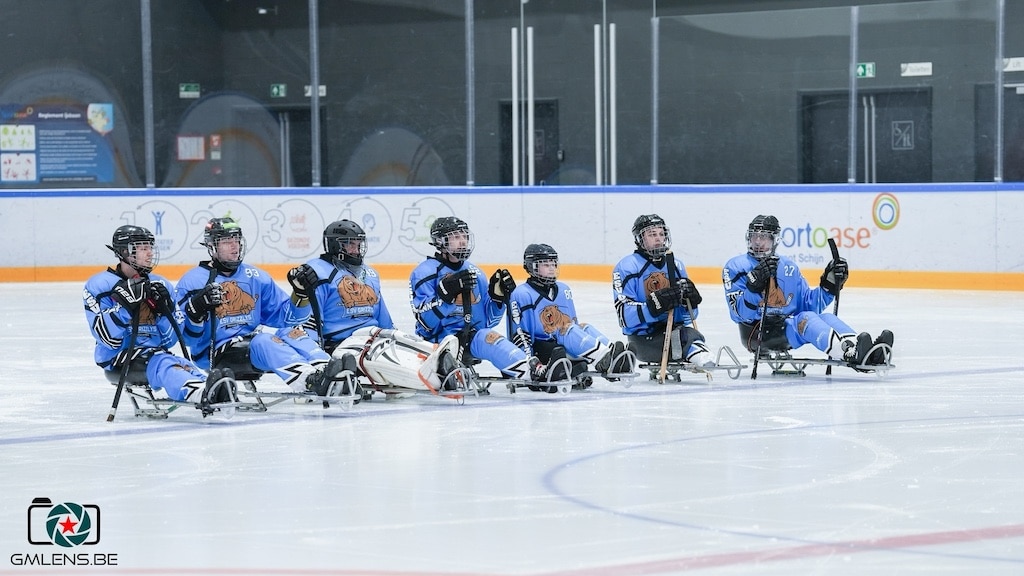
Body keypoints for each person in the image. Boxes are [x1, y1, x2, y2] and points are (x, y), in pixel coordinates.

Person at [175, 217, 349, 398]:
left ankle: (329, 370)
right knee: (264, 341)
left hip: (249, 344)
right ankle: (310, 380)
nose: (234, 246)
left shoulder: (255, 276)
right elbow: (187, 340)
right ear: (212, 246)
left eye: (236, 240)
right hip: (215, 353)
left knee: (290, 331)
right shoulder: (192, 281)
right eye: (227, 242)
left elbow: (287, 318)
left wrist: (301, 294)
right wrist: (195, 311)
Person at [289, 219, 462, 395]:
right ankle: (433, 379)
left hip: (373, 334)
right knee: (385, 356)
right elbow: (308, 320)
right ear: (335, 246)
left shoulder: (370, 274)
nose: (356, 250)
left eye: (358, 245)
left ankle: (436, 357)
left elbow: (381, 313)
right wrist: (318, 361)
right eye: (350, 245)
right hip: (342, 341)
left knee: (398, 341)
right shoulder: (316, 272)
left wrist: (393, 334)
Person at [83, 225, 234, 411]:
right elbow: (107, 339)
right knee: (162, 362)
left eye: (150, 247)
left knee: (178, 362)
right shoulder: (100, 285)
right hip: (118, 357)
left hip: (154, 353)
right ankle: (200, 393)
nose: (149, 253)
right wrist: (124, 308)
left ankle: (210, 386)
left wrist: (165, 310)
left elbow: (170, 340)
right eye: (142, 248)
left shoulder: (160, 283)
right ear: (124, 252)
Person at [722, 214, 894, 367]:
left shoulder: (789, 267)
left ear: (775, 240)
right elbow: (738, 314)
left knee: (826, 318)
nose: (758, 242)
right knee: (805, 319)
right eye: (755, 236)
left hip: (785, 326)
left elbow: (809, 305)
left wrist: (829, 285)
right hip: (756, 332)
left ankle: (862, 349)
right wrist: (754, 287)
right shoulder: (736, 266)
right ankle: (847, 352)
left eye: (764, 237)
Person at [410, 216, 559, 385]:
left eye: (465, 236)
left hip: (470, 339)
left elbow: (488, 322)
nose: (463, 242)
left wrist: (498, 301)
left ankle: (532, 368)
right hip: (438, 343)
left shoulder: (476, 273)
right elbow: (424, 322)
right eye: (456, 237)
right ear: (440, 241)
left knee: (490, 337)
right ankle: (532, 370)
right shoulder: (424, 273)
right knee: (486, 337)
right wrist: (445, 297)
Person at [508, 243, 632, 379]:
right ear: (531, 266)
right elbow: (521, 334)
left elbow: (574, 325)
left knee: (584, 327)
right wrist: (531, 362)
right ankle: (605, 360)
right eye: (545, 265)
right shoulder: (522, 293)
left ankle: (615, 356)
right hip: (543, 350)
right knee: (566, 329)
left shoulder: (563, 289)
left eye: (553, 264)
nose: (551, 269)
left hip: (562, 343)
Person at [612, 214, 713, 368]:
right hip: (644, 340)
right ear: (640, 239)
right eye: (652, 234)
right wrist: (655, 305)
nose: (658, 238)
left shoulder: (676, 265)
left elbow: (687, 318)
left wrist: (689, 303)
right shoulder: (627, 266)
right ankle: (698, 353)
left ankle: (697, 350)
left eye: (661, 234)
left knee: (689, 334)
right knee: (687, 337)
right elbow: (624, 316)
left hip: (675, 333)